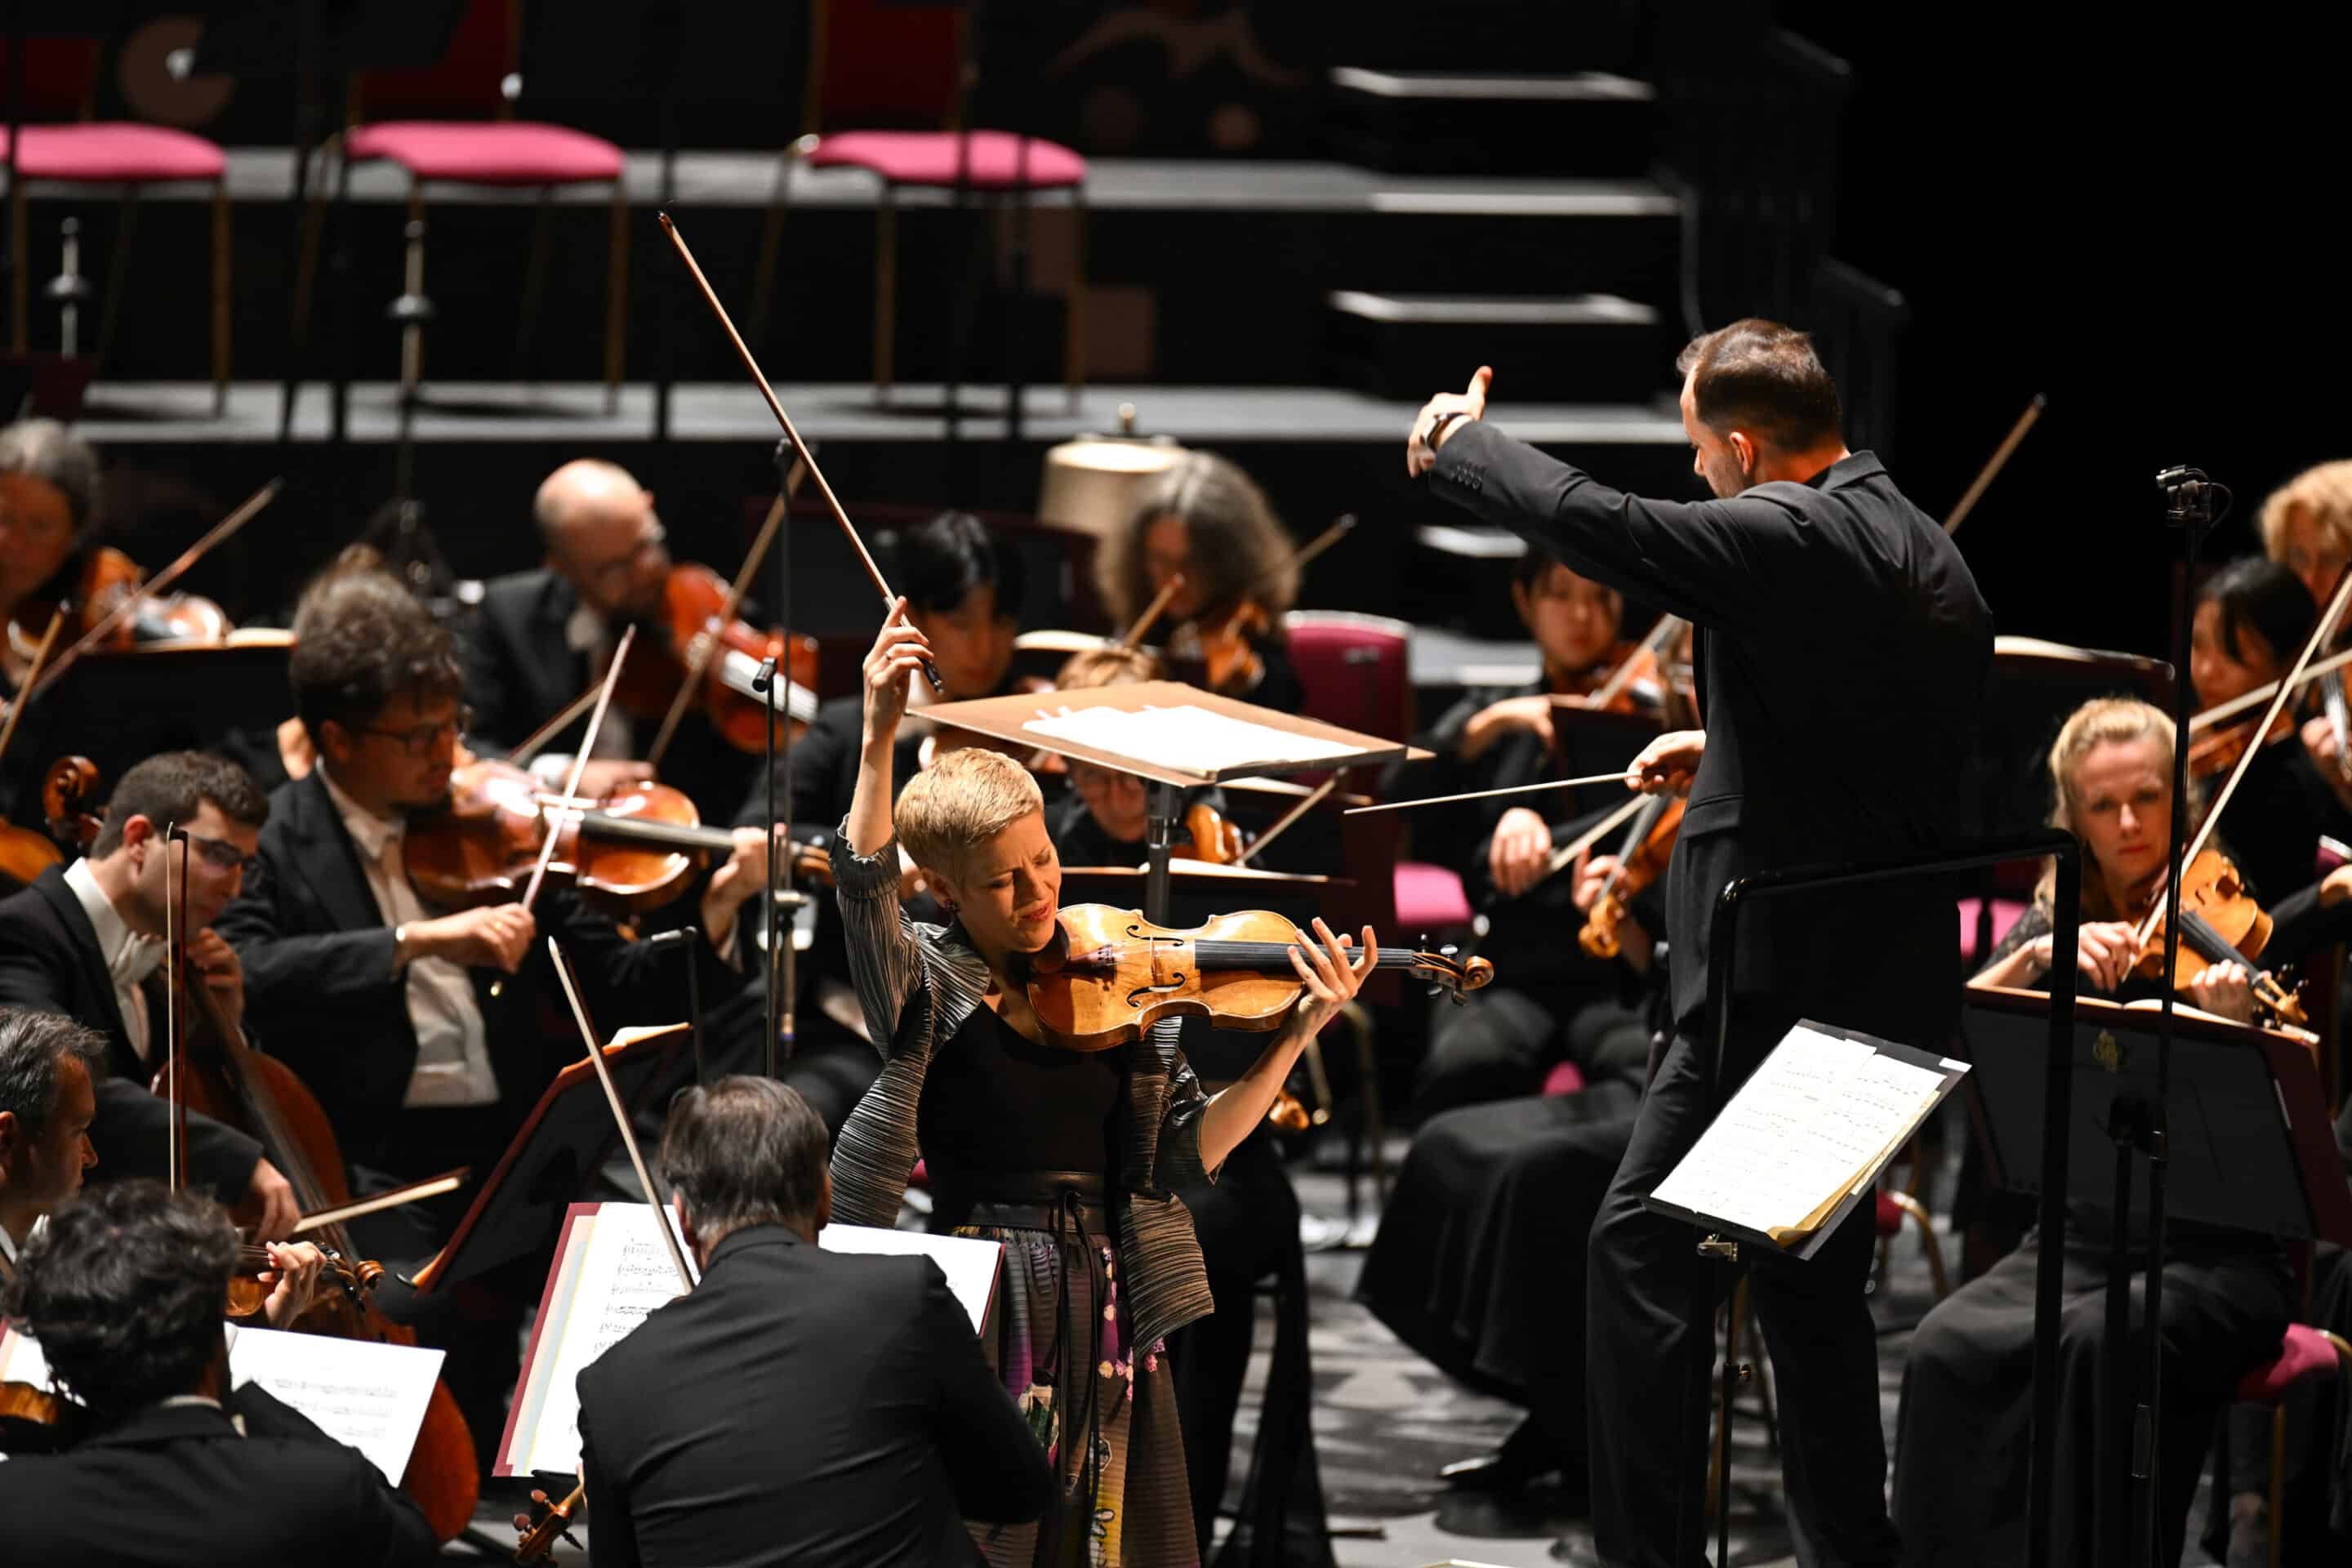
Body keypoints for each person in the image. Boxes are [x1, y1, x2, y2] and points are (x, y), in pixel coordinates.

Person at [1410, 320, 1993, 1566]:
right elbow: (1864, 736)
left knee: (1639, 1251)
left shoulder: (1793, 532)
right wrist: (1725, 750)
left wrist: (1465, 446)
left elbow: (1604, 524)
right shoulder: (1923, 543)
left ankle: (1651, 1554)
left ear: (1741, 445)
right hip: (1885, 984)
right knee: (1813, 1282)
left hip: (1778, 988)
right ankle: (1850, 1551)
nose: (1697, 480)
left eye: (1699, 456)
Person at [829, 601, 1376, 1566]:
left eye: (1044, 862)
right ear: (949, 892)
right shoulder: (929, 985)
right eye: (1007, 883)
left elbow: (1188, 1154)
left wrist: (1299, 1031)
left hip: (1112, 1294)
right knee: (990, 1535)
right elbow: (867, 883)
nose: (1042, 892)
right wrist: (879, 733)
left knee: (1109, 1539)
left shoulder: (1119, 983)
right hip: (989, 1293)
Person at [1900, 697, 2296, 1566]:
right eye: (2102, 806)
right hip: (2081, 1238)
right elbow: (1966, 1029)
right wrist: (2039, 958)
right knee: (1942, 1344)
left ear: (2180, 804)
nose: (2128, 824)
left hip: (2219, 1256)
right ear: (2071, 817)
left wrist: (2235, 1029)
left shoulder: (2224, 914)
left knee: (2097, 1341)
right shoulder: (2055, 920)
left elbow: (2291, 1114)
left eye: (2148, 799)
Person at [577, 1075, 1049, 1567]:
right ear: (824, 1195)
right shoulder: (902, 1299)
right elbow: (1021, 1492)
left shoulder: (609, 1386)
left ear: (684, 1217)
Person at [1356, 852, 1666, 1508]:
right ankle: (1559, 1408)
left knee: (1537, 1172)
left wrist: (1639, 924)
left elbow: (1688, 991)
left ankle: (1571, 1419)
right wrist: (1628, 922)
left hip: (1688, 1084)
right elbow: (1664, 976)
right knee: (1446, 1143)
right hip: (1651, 1044)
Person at [723, 510, 1031, 1138]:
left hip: (1012, 1021)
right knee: (793, 1120)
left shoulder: (1036, 729)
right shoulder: (848, 730)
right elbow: (766, 828)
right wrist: (878, 860)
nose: (983, 648)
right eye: (961, 622)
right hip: (862, 1026)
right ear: (914, 621)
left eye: (1000, 623)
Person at [0, 1179, 436, 1566]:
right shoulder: (322, 1489)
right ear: (213, 1334)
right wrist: (241, 1374)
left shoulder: (18, 1504)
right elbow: (414, 1541)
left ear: (60, 1358)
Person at [1383, 552, 1664, 1119]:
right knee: (1461, 1070)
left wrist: (1531, 827)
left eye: (1601, 598)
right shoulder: (1495, 715)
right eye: (1561, 595)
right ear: (1525, 602)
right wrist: (1491, 726)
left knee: (1651, 1076)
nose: (1583, 615)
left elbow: (1648, 830)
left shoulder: (1650, 725)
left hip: (1612, 972)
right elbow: (1397, 791)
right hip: (1512, 965)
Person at [0, 751, 296, 1234]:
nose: (235, 889)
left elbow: (183, 1093)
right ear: (138, 839)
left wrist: (222, 1027)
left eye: (244, 866)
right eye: (219, 857)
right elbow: (66, 1084)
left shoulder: (164, 956)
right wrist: (242, 1162)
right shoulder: (18, 934)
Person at [458, 457, 742, 813]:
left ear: (649, 506)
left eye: (645, 545)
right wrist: (562, 772)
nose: (644, 573)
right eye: (613, 569)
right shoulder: (507, 616)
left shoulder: (706, 601)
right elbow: (470, 747)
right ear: (561, 567)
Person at [2184, 557, 2351, 902]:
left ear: (2287, 663)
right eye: (2198, 645)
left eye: (2233, 655)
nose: (2206, 670)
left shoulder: (2289, 780)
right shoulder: (2200, 732)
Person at [1096, 450, 1305, 708]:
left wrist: (1248, 685)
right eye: (1160, 559)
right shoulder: (1141, 620)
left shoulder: (1249, 627)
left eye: (1192, 561)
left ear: (1226, 561)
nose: (1176, 578)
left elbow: (1285, 704)